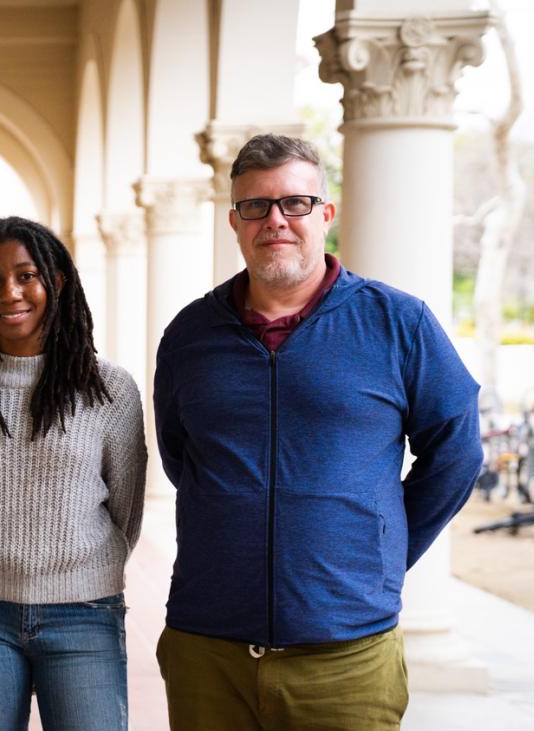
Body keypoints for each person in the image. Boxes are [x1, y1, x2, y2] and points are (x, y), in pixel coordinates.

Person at [152, 133, 483, 729]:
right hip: (207, 647)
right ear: (234, 221)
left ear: (325, 214)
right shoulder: (190, 333)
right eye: (256, 205)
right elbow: (182, 456)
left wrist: (377, 552)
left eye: (295, 203)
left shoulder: (397, 321)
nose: (275, 220)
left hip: (347, 655)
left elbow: (455, 451)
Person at [0, 216, 147, 730]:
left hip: (84, 611)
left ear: (56, 282)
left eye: (25, 275)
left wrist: (83, 573)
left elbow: (126, 510)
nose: (9, 292)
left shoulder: (109, 389)